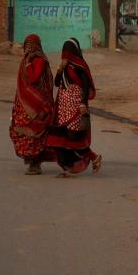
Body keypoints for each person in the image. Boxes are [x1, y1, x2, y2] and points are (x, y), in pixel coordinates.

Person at [45, 38, 102, 177]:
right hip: (63, 107)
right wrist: (59, 69)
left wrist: (83, 104)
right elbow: (58, 83)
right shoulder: (65, 67)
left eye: (67, 51)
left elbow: (85, 87)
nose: (65, 54)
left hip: (76, 107)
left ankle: (94, 157)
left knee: (74, 137)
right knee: (61, 138)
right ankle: (68, 167)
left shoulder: (80, 66)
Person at [8, 34, 55, 175]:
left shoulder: (39, 60)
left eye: (30, 45)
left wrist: (29, 63)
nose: (27, 48)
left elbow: (33, 79)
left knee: (36, 133)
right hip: (24, 103)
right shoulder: (25, 60)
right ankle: (31, 162)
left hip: (38, 104)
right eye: (26, 45)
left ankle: (35, 164)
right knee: (23, 132)